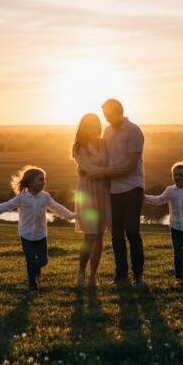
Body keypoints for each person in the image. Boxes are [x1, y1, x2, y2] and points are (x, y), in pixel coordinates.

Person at [0, 166, 75, 292]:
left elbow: (57, 208)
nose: (44, 182)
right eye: (40, 180)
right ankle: (32, 285)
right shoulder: (21, 197)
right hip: (26, 235)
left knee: (43, 261)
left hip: (40, 235)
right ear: (30, 182)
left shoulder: (45, 197)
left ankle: (36, 270)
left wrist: (71, 215)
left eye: (44, 180)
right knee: (30, 260)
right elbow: (6, 206)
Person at [85, 98, 146, 285]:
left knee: (132, 232)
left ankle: (137, 276)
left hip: (133, 187)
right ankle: (121, 276)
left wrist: (103, 172)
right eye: (104, 115)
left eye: (108, 114)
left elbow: (132, 164)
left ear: (118, 111)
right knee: (116, 235)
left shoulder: (134, 131)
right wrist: (87, 167)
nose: (106, 118)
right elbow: (105, 158)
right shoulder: (108, 131)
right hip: (113, 190)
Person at [71, 113, 111, 288]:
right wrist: (109, 171)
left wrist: (106, 171)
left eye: (96, 125)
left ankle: (93, 276)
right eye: (89, 126)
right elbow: (90, 170)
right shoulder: (79, 147)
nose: (94, 129)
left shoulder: (104, 144)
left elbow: (108, 164)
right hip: (87, 192)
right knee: (90, 235)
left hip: (103, 192)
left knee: (100, 236)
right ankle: (80, 273)